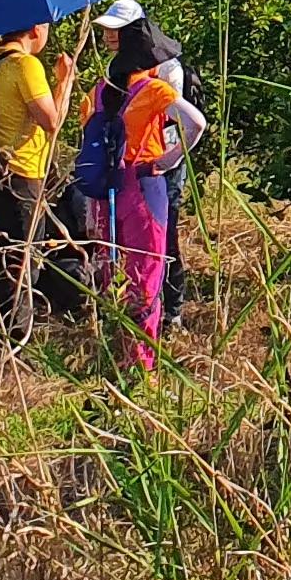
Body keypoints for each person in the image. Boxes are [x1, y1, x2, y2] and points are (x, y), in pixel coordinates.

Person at [90, 18, 205, 370]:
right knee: (146, 275)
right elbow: (196, 123)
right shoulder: (154, 91)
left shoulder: (100, 90)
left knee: (112, 272)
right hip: (143, 185)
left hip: (105, 190)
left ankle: (114, 351)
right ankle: (141, 362)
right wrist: (167, 159)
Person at [0, 19, 80, 341]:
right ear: (36, 31)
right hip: (22, 177)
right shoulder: (26, 64)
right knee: (23, 263)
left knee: (0, 260)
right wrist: (64, 82)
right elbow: (51, 121)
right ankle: (13, 342)